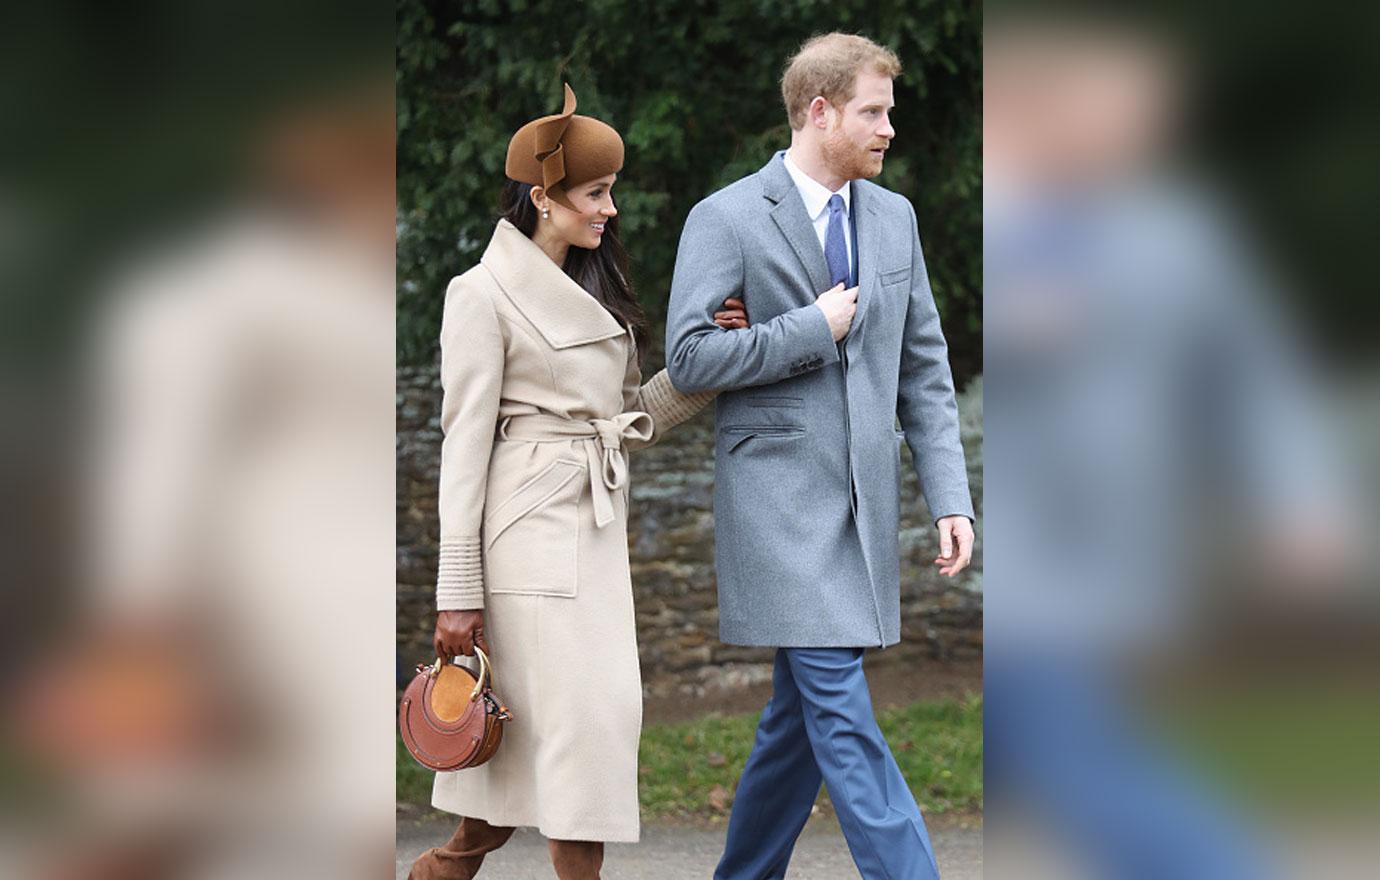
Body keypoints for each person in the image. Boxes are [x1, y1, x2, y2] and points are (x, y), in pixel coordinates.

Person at [408, 85, 748, 880]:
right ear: (542, 198)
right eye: (596, 193)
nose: (611, 209)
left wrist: (714, 368)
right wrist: (456, 591)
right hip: (526, 542)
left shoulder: (595, 290)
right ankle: (455, 863)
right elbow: (463, 446)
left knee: (559, 739)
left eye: (610, 191)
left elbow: (630, 420)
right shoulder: (479, 294)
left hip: (593, 534)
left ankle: (446, 867)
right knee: (578, 737)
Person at [664, 34, 975, 879]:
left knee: (795, 726)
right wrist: (811, 329)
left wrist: (950, 497)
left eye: (890, 114)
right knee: (839, 711)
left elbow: (924, 369)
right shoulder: (726, 217)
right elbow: (688, 358)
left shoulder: (895, 217)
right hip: (778, 510)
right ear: (820, 110)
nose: (888, 131)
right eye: (874, 112)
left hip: (862, 511)